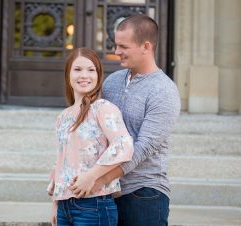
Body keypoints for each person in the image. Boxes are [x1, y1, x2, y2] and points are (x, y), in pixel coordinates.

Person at [89, 14, 181, 226]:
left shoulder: (164, 91)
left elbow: (143, 148)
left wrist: (99, 179)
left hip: (144, 194)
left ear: (145, 47)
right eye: (115, 44)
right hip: (107, 194)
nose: (116, 51)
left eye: (123, 46)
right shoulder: (112, 81)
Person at [47, 47, 134, 226]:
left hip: (94, 205)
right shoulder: (63, 116)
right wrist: (56, 203)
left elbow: (123, 145)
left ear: (98, 75)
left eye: (91, 70)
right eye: (77, 69)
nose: (84, 75)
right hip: (65, 207)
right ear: (68, 74)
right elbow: (61, 162)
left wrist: (92, 176)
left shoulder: (103, 108)